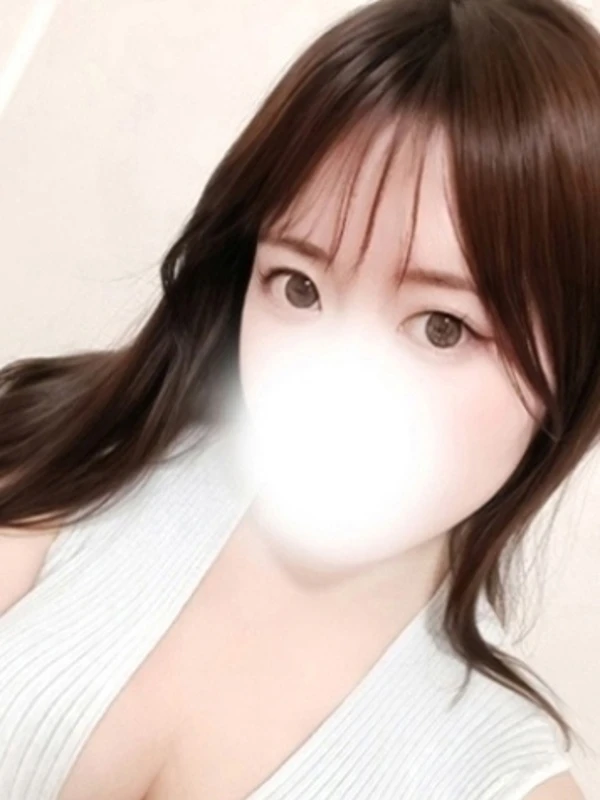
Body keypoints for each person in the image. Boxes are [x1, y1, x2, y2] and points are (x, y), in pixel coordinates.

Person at [0, 0, 597, 797]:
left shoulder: (508, 780)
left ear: (570, 370)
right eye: (299, 286)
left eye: (443, 327)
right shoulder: (67, 459)